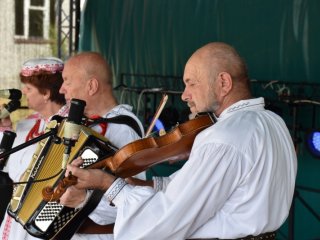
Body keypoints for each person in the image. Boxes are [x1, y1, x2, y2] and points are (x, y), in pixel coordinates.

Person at [61, 42, 297, 239]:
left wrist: (109, 185)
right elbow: (187, 189)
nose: (184, 95)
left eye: (191, 83)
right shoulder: (273, 122)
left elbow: (164, 220)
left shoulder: (222, 138)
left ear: (223, 83)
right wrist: (136, 184)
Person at [58, 51, 145, 240]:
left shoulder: (123, 130)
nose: (61, 89)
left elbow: (134, 204)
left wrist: (83, 200)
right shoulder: (86, 124)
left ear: (91, 86)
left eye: (67, 81)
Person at [0, 57, 68, 240]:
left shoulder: (71, 128)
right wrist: (4, 129)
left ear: (46, 93)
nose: (24, 92)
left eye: (29, 88)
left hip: (45, 219)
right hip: (16, 215)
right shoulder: (27, 124)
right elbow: (7, 165)